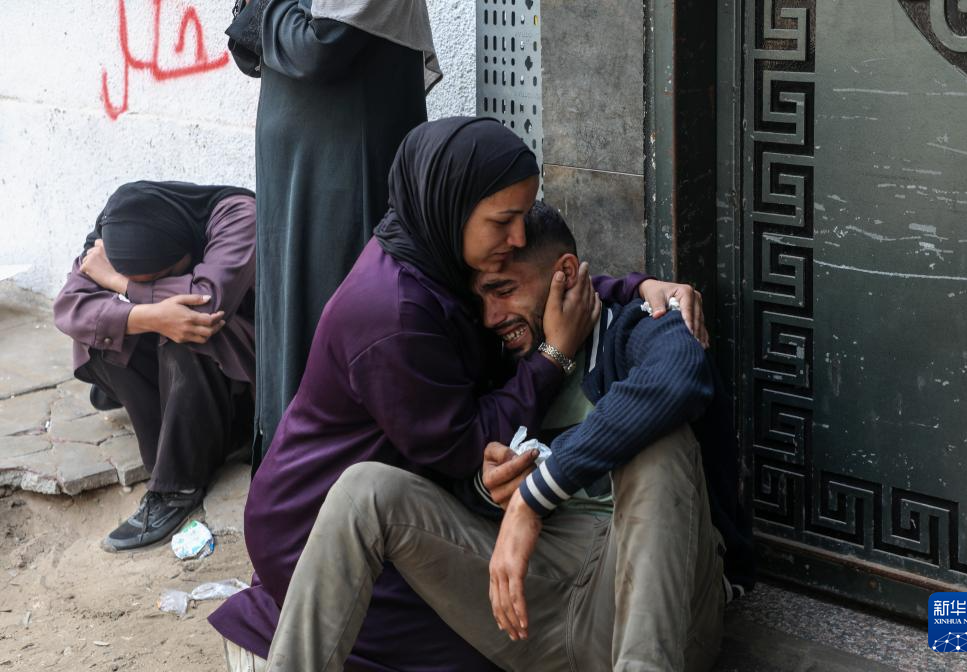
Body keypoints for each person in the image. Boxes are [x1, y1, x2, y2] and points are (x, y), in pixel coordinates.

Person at [209, 118, 705, 672]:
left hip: (618, 590)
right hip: (330, 531)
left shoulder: (463, 274)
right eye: (503, 222)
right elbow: (465, 447)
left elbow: (663, 368)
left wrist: (635, 289)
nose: (515, 238)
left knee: (661, 443)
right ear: (452, 210)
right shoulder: (404, 313)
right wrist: (497, 464)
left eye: (522, 222)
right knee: (368, 500)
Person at [265, 201, 751, 671]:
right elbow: (454, 480)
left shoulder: (635, 328)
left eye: (503, 290)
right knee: (363, 489)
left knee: (659, 443)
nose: (491, 316)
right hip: (533, 608)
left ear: (564, 273)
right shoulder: (501, 365)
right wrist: (487, 488)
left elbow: (680, 376)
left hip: (656, 610)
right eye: (480, 299)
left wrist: (534, 497)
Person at [225, 0, 438, 465]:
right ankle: (287, 477)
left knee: (338, 314)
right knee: (289, 313)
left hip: (343, 169)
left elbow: (314, 47)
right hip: (297, 166)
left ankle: (333, 490)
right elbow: (247, 46)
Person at [52, 181, 256, 551]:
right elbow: (68, 306)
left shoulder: (239, 217)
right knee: (102, 333)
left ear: (182, 249)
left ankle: (179, 485)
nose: (159, 285)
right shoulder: (116, 227)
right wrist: (146, 316)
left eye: (165, 276)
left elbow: (207, 303)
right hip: (194, 373)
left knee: (189, 330)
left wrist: (121, 285)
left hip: (245, 365)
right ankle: (175, 441)